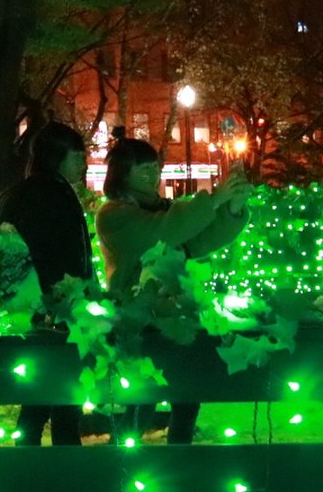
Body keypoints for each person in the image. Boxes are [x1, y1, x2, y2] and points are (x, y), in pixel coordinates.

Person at [96, 136, 251, 441]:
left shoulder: (166, 210)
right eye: (143, 170)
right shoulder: (113, 214)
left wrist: (233, 207)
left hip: (177, 315)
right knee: (144, 399)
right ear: (122, 174)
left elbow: (197, 240)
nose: (152, 175)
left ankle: (180, 459)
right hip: (140, 322)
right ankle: (126, 464)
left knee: (187, 393)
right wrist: (214, 199)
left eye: (155, 167)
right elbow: (163, 233)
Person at [0, 121, 96, 492]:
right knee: (65, 407)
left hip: (23, 315)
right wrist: (75, 301)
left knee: (35, 407)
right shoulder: (55, 194)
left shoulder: (15, 193)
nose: (84, 164)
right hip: (57, 314)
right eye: (78, 155)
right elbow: (64, 256)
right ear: (59, 157)